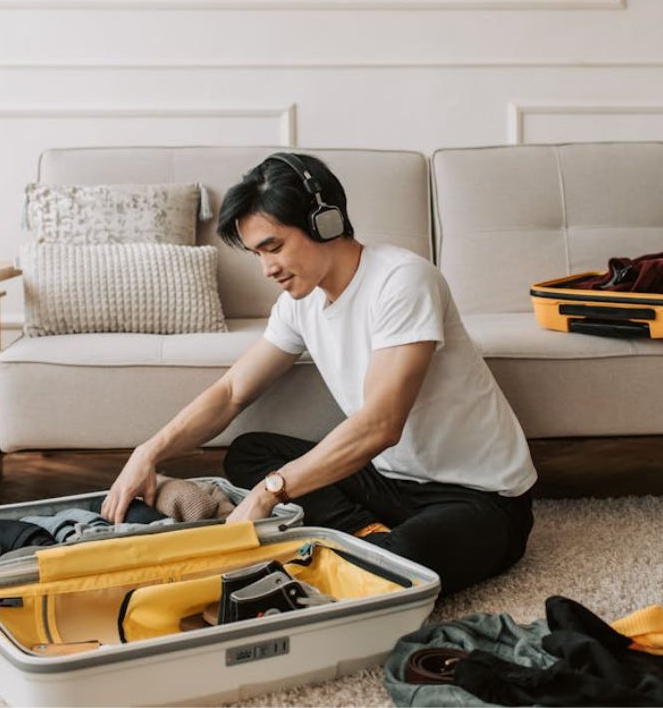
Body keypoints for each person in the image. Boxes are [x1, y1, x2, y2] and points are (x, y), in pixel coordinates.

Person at [102, 152, 537, 594]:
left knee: (397, 565)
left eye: (274, 247)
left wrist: (268, 493)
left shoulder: (402, 281)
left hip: (478, 496)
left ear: (324, 222)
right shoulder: (298, 302)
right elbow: (233, 391)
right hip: (387, 480)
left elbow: (381, 425)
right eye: (257, 254)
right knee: (250, 452)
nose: (267, 268)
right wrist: (149, 452)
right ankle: (365, 535)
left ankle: (370, 549)